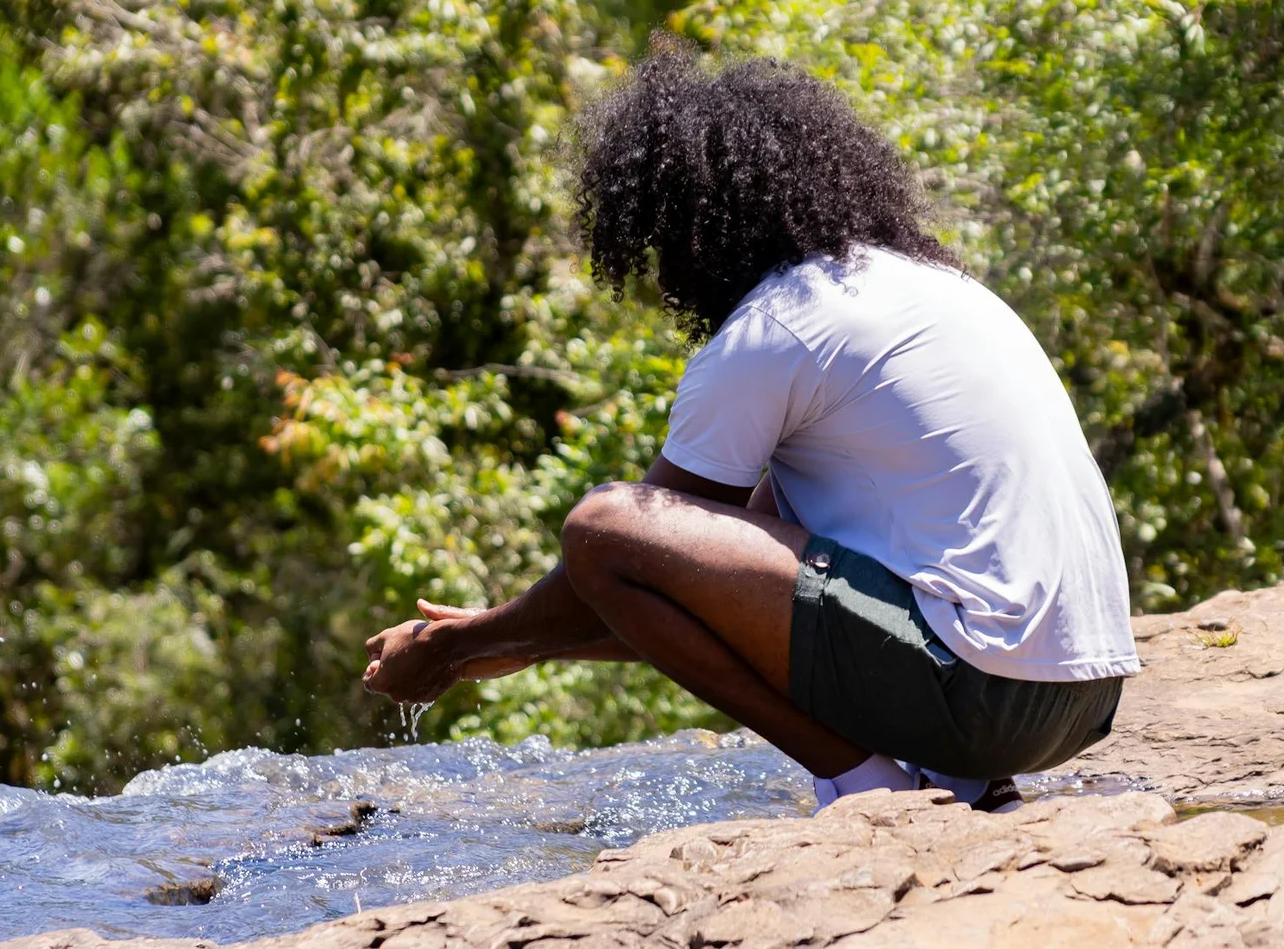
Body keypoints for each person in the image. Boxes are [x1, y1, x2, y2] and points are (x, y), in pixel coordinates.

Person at [361, 46, 1140, 811]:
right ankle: (960, 781)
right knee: (691, 530)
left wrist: (457, 648)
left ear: (696, 230)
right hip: (1084, 694)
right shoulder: (926, 289)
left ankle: (865, 784)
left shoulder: (780, 326)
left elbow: (620, 550)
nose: (665, 277)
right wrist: (513, 638)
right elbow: (694, 586)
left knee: (603, 521)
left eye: (660, 246)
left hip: (987, 695)